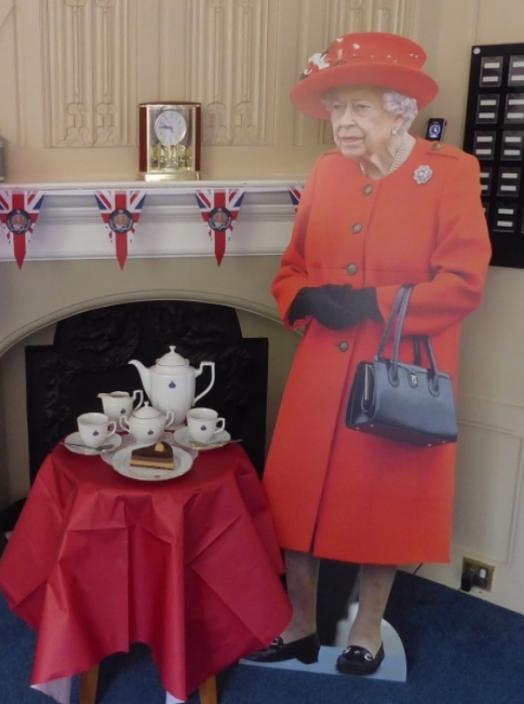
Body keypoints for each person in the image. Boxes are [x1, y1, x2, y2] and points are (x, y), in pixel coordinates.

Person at [246, 32, 491, 675]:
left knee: (382, 504)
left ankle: (368, 630)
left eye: (359, 109)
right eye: (336, 108)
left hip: (397, 373)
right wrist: (306, 298)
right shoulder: (328, 170)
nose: (343, 123)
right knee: (295, 502)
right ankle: (298, 624)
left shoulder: (451, 172)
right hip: (322, 367)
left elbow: (464, 281)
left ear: (400, 110)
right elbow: (292, 266)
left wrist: (374, 302)